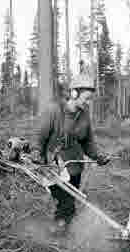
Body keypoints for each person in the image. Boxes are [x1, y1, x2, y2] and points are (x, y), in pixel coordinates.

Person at [37, 71, 110, 228]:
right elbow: (40, 137)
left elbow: (88, 141)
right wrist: (40, 160)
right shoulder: (54, 110)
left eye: (91, 99)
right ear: (74, 93)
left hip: (75, 167)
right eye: (87, 99)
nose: (89, 103)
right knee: (65, 204)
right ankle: (57, 234)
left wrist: (98, 156)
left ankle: (64, 234)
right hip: (54, 166)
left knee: (70, 203)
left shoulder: (84, 115)